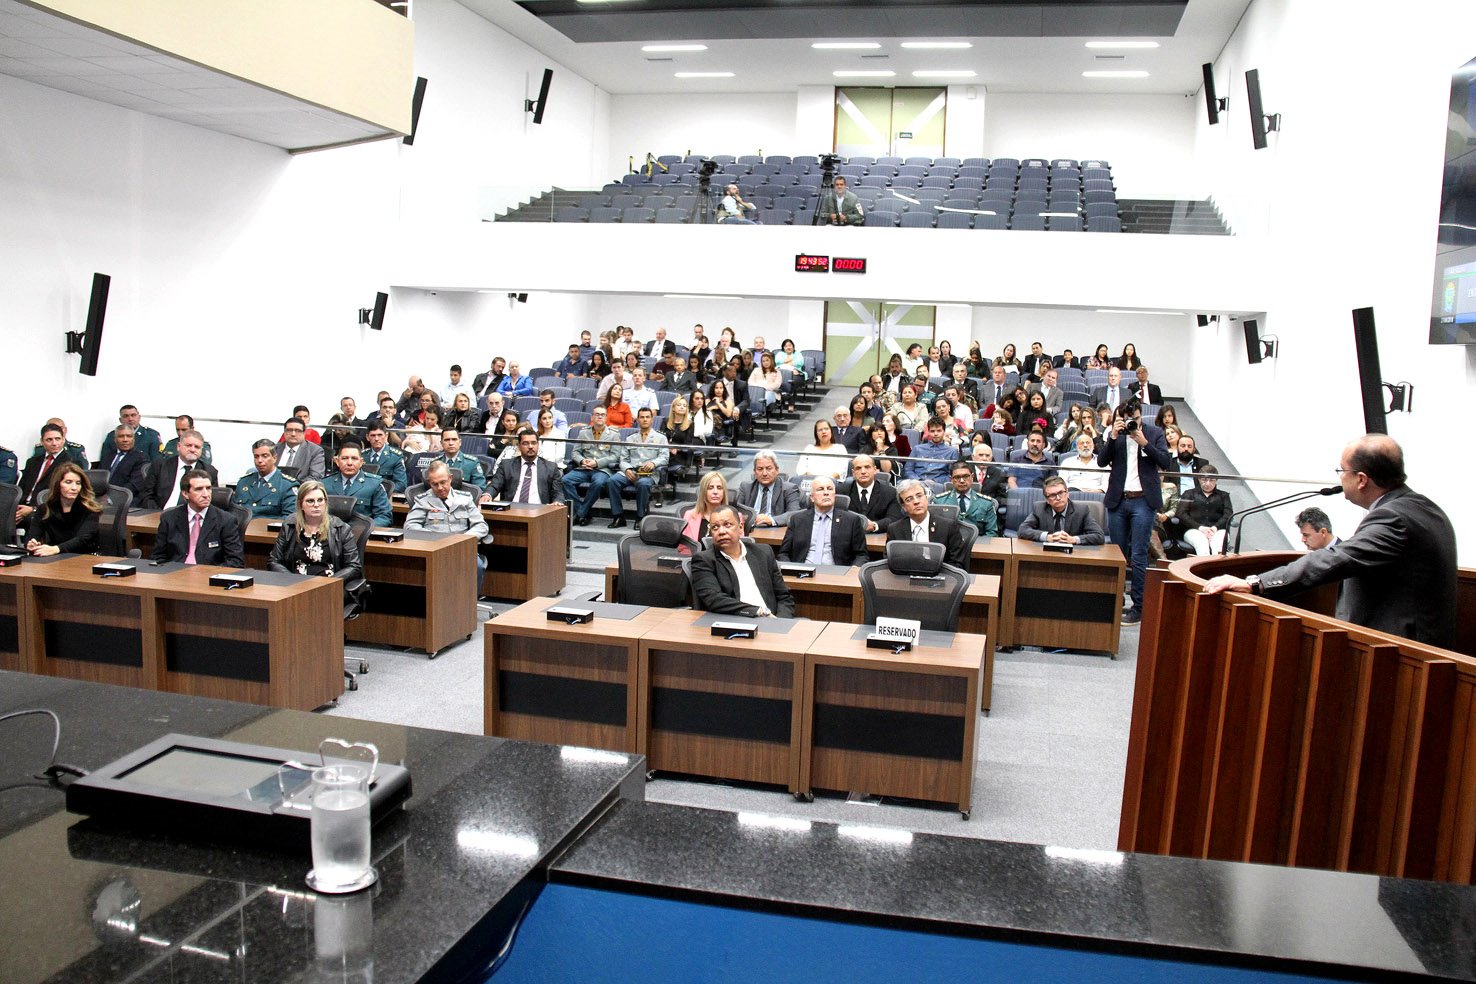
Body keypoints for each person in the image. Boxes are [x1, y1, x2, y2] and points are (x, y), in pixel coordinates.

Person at [1204, 435, 1457, 647]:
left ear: (1361, 479)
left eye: (1342, 471)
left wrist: (1257, 583)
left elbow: (1337, 558)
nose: (1340, 478)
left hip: (1396, 652)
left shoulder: (1394, 518)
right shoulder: (1423, 507)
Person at [1098, 398, 1174, 625]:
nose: (1133, 423)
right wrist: (1113, 436)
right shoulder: (1116, 434)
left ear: (1141, 416)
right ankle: (1116, 601)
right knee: (1117, 554)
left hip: (1143, 501)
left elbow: (1166, 462)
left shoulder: (1154, 432)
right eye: (1128, 419)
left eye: (1137, 419)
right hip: (1119, 500)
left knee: (1139, 555)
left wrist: (1145, 443)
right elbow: (1101, 461)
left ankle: (1138, 607)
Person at [267, 478, 365, 608]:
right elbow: (274, 561)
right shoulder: (290, 526)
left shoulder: (341, 528)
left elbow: (354, 566)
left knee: (311, 604)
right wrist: (291, 581)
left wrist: (327, 583)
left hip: (328, 587)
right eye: (310, 501)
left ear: (326, 503)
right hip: (295, 586)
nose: (316, 505)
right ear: (300, 504)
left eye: (320, 500)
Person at [689, 506, 795, 618]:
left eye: (727, 525)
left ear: (740, 527)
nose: (721, 532)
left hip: (772, 621)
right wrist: (758, 612)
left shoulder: (763, 553)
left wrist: (781, 621)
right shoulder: (704, 560)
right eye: (715, 527)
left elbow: (784, 597)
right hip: (735, 621)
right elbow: (714, 599)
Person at [406, 460, 490, 582]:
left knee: (477, 566)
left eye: (443, 482)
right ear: (429, 482)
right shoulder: (422, 500)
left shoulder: (465, 499)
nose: (440, 488)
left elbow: (481, 526)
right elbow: (410, 525)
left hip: (462, 549)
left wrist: (463, 539)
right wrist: (433, 538)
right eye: (435, 484)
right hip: (434, 549)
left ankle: (471, 596)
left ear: (450, 478)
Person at [151, 468, 244, 567]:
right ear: (185, 493)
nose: (206, 494)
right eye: (199, 489)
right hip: (175, 571)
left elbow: (236, 561)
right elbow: (158, 557)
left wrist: (207, 573)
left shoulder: (226, 520)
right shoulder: (169, 518)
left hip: (208, 573)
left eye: (208, 488)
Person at [778, 476, 867, 567]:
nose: (826, 493)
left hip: (837, 572)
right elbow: (783, 553)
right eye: (820, 489)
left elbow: (861, 555)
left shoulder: (851, 521)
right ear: (812, 497)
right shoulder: (797, 520)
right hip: (803, 570)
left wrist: (853, 569)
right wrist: (790, 569)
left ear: (834, 494)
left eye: (830, 489)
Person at [886, 479, 967, 568]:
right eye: (909, 499)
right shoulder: (895, 529)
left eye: (919, 496)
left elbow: (957, 563)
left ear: (926, 498)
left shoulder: (948, 527)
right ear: (904, 507)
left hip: (940, 575)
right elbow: (889, 562)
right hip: (906, 575)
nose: (916, 502)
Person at [563, 407, 623, 527]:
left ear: (606, 418)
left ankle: (580, 514)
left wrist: (597, 463)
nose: (600, 416)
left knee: (599, 483)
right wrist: (582, 460)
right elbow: (575, 453)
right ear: (592, 417)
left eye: (602, 414)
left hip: (602, 469)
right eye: (597, 414)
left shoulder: (614, 434)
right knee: (565, 480)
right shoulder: (583, 433)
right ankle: (583, 512)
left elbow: (615, 456)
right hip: (584, 468)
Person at [25, 462, 101, 556]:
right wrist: (31, 544)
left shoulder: (90, 509)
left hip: (84, 557)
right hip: (56, 557)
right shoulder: (45, 509)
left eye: (78, 483)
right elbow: (32, 536)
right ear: (58, 484)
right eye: (68, 482)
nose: (74, 488)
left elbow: (82, 539)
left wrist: (56, 549)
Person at [608, 408, 668, 525]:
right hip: (631, 471)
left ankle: (641, 517)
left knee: (643, 483)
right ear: (638, 420)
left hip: (649, 473)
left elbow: (665, 457)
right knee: (612, 481)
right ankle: (618, 516)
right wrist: (627, 469)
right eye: (642, 417)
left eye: (647, 417)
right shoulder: (630, 438)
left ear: (652, 420)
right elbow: (623, 459)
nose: (645, 420)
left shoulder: (661, 438)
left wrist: (653, 463)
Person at [140, 429, 218, 511]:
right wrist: (158, 513)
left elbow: (212, 502)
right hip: (159, 513)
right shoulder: (160, 466)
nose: (192, 450)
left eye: (197, 447)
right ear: (178, 446)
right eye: (188, 445)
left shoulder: (209, 471)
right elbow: (146, 496)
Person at [488, 427, 566, 507]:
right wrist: (487, 495)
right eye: (525, 443)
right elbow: (495, 485)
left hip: (540, 510)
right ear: (519, 446)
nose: (530, 446)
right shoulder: (506, 465)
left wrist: (557, 501)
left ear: (538, 445)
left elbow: (558, 492)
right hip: (511, 509)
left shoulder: (551, 467)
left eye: (533, 443)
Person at [1017, 476, 1106, 545]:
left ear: (1067, 493)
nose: (1058, 498)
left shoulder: (1082, 510)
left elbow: (1099, 536)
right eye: (1053, 495)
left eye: (1060, 493)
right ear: (1047, 500)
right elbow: (1022, 530)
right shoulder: (1039, 508)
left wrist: (1073, 539)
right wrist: (1047, 537)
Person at [323, 440, 394, 526]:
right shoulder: (325, 484)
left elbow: (384, 517)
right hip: (331, 531)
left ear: (361, 462)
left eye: (354, 458)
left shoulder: (374, 484)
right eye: (344, 458)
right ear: (337, 461)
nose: (349, 463)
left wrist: (365, 529)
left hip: (362, 532)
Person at [233, 439, 300, 518]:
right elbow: (233, 513)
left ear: (274, 458)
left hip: (270, 526)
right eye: (256, 456)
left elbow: (290, 518)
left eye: (265, 456)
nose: (259, 460)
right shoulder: (243, 482)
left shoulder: (287, 485)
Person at [1175, 465, 1233, 555]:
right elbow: (1181, 513)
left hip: (1218, 530)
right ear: (1199, 479)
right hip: (1194, 530)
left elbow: (1228, 514)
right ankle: (1206, 564)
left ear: (1216, 480)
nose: (1208, 483)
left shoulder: (1223, 495)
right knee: (1202, 544)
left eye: (1212, 480)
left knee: (1218, 546)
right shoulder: (1189, 494)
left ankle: (1217, 564)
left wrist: (1215, 527)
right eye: (1204, 480)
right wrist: (1200, 528)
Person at [933, 461, 999, 537]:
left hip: (978, 542)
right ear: (951, 479)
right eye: (957, 477)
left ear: (972, 477)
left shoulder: (986, 503)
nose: (962, 481)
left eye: (965, 476)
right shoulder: (939, 502)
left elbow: (992, 533)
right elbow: (935, 531)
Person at [737, 450, 801, 527]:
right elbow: (737, 512)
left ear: (777, 470)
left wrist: (771, 520)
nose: (764, 473)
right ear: (755, 472)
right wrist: (751, 519)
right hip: (751, 529)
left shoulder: (789, 489)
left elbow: (793, 514)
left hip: (776, 530)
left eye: (768, 468)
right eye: (760, 469)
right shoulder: (745, 487)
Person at [839, 454, 902, 532]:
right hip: (850, 535)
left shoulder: (890, 492)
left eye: (867, 467)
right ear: (853, 473)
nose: (863, 472)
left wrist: (875, 525)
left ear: (875, 470)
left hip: (878, 536)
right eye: (858, 468)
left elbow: (894, 518)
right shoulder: (842, 491)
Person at [98, 405, 163, 463]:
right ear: (120, 420)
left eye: (133, 415)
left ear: (139, 417)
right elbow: (105, 460)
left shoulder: (151, 435)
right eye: (126, 416)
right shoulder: (112, 435)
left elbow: (156, 462)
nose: (130, 419)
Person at [681, 471, 733, 541]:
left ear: (724, 492)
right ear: (703, 492)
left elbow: (739, 546)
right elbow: (684, 546)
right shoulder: (689, 516)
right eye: (710, 488)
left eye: (719, 488)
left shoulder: (735, 518)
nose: (715, 492)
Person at [360, 421, 409, 493]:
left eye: (380, 435)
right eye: (373, 435)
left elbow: (401, 484)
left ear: (386, 436)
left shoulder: (395, 457)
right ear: (367, 437)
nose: (376, 439)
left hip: (385, 496)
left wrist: (379, 492)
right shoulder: (361, 456)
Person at [904, 417, 957, 482]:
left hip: (938, 485)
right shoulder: (917, 449)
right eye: (932, 431)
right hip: (916, 482)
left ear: (944, 431)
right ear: (928, 432)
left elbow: (952, 475)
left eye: (939, 431)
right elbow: (907, 470)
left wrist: (933, 482)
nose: (935, 434)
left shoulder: (952, 451)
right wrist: (918, 481)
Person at [102, 424, 149, 497]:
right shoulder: (108, 456)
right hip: (102, 496)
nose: (125, 440)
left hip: (125, 498)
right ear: (115, 439)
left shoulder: (141, 458)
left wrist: (111, 497)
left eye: (129, 436)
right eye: (121, 436)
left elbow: (134, 485)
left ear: (133, 439)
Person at [748, 351, 784, 418]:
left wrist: (764, 388)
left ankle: (757, 413)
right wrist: (759, 388)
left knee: (766, 396)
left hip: (771, 392)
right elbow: (750, 382)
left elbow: (777, 385)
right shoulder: (756, 370)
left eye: (767, 360)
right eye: (763, 361)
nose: (765, 362)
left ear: (771, 361)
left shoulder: (777, 372)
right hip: (756, 392)